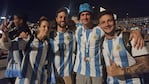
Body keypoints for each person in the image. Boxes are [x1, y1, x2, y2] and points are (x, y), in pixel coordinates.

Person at [73, 3, 144, 84]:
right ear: (80, 17)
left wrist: (135, 32)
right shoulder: (77, 29)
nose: (85, 17)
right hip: (80, 70)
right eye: (82, 15)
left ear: (91, 16)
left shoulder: (99, 29)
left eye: (87, 14)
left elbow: (113, 30)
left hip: (96, 72)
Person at [99, 10, 149, 84]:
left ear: (115, 22)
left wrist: (122, 71)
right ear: (100, 26)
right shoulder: (102, 41)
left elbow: (146, 65)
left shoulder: (131, 38)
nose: (107, 24)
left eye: (109, 21)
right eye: (103, 22)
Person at [15, 17, 50, 84]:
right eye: (44, 26)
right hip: (25, 81)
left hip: (40, 80)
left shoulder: (47, 44)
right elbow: (12, 46)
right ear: (39, 27)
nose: (46, 29)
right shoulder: (29, 39)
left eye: (48, 27)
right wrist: (5, 37)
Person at [0, 13, 31, 84]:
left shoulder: (24, 31)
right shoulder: (16, 30)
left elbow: (11, 45)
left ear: (21, 20)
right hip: (14, 65)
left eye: (15, 19)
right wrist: (5, 33)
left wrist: (6, 37)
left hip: (20, 65)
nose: (13, 21)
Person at [49, 7, 76, 84]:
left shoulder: (72, 35)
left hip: (68, 74)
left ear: (68, 19)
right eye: (60, 17)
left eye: (65, 17)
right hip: (54, 74)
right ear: (56, 19)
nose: (63, 19)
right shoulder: (50, 35)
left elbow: (74, 50)